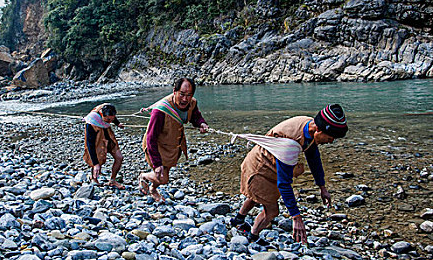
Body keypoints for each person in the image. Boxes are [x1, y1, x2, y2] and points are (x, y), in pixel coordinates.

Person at [230, 104, 348, 244]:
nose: (331, 141)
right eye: (330, 137)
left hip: (266, 163)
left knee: (259, 195)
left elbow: (313, 158)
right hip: (259, 169)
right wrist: (296, 218)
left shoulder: (309, 124)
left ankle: (238, 219)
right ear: (318, 129)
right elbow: (284, 184)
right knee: (272, 211)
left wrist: (322, 187)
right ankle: (253, 236)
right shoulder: (289, 145)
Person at [140, 77, 209, 202]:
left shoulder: (192, 103)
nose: (185, 99)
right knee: (163, 178)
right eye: (182, 94)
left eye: (189, 95)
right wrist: (156, 163)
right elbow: (151, 138)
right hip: (156, 145)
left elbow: (195, 116)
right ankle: (144, 176)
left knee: (163, 174)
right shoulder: (160, 111)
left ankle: (152, 188)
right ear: (174, 91)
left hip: (173, 146)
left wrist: (201, 123)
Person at [82, 103, 125, 189]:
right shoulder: (91, 121)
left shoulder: (108, 112)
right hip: (97, 139)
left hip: (108, 136)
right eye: (108, 120)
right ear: (102, 114)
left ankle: (112, 180)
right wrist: (95, 164)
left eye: (111, 120)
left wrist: (117, 124)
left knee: (119, 157)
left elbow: (112, 117)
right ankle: (94, 179)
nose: (110, 122)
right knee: (98, 160)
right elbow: (90, 144)